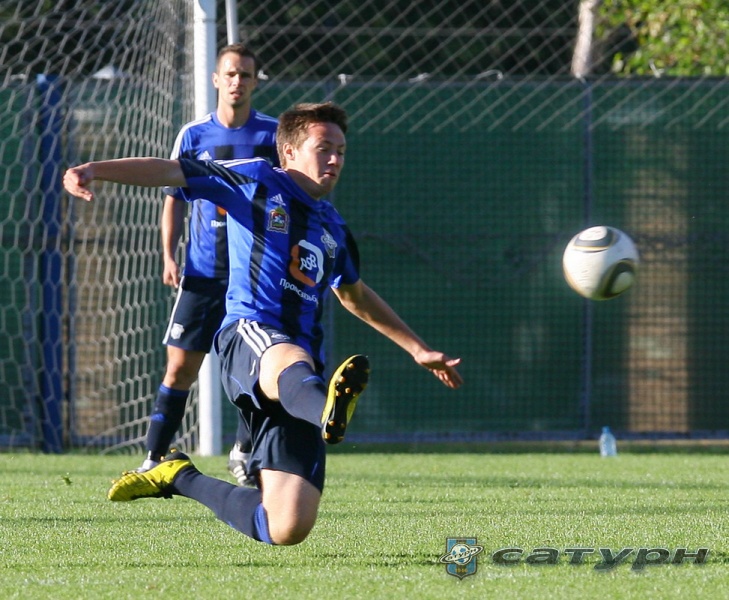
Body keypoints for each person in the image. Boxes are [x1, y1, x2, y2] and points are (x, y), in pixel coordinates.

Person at [63, 101, 463, 546]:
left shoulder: (333, 227)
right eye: (323, 148)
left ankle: (177, 475)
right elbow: (171, 171)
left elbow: (354, 295)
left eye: (341, 151)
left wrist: (417, 349)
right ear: (288, 151)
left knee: (285, 526)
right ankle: (327, 410)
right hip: (249, 336)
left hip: (300, 378)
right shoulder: (255, 179)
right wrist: (94, 169)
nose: (334, 160)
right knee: (286, 357)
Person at [141, 43, 278, 486]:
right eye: (231, 74)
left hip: (254, 275)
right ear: (216, 79)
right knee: (180, 367)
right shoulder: (194, 135)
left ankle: (245, 449)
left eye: (246, 75)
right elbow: (174, 198)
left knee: (258, 368)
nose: (238, 82)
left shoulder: (273, 136)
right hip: (202, 273)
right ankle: (153, 458)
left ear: (255, 82)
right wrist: (168, 254)